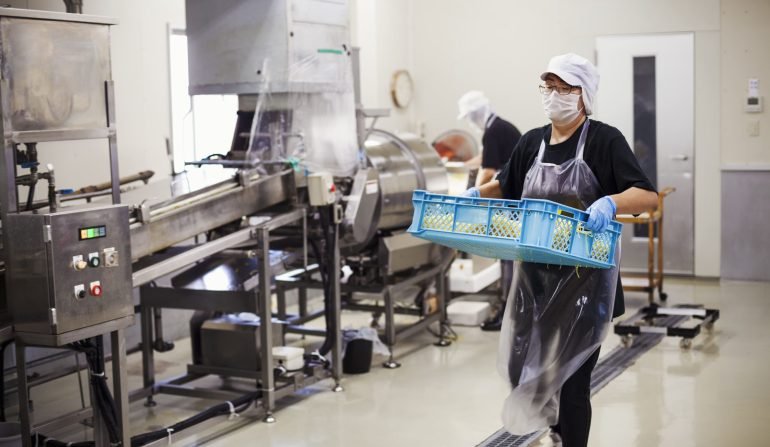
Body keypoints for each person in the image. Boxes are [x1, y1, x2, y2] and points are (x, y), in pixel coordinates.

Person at [467, 54, 658, 446]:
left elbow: (647, 195)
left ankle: (569, 435)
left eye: (564, 88)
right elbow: (505, 183)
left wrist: (610, 203)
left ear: (583, 95)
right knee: (521, 370)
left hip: (587, 287)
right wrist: (476, 194)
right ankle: (554, 427)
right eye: (549, 87)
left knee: (572, 385)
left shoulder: (604, 140)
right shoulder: (531, 142)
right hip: (534, 284)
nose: (554, 95)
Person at [457, 91, 522, 331]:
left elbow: (488, 170)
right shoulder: (500, 127)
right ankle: (511, 308)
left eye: (470, 116)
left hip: (512, 199)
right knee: (510, 254)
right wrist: (460, 165)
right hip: (516, 197)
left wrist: (472, 195)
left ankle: (507, 311)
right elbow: (486, 158)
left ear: (476, 114)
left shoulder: (493, 131)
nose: (470, 121)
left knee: (508, 255)